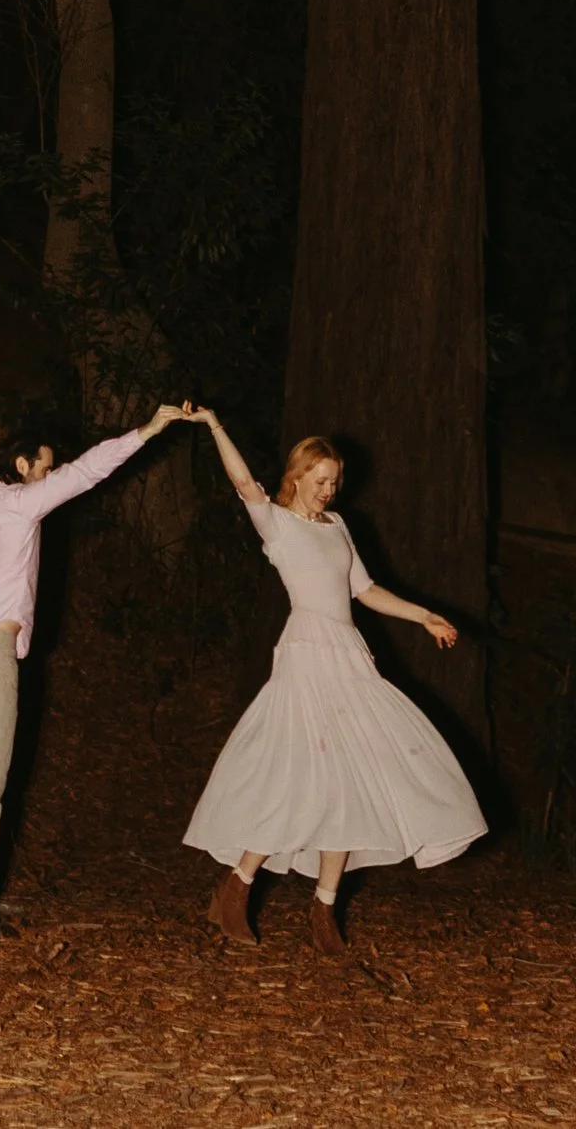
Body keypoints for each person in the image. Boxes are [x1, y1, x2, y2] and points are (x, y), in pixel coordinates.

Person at [178, 403, 485, 956]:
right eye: (319, 480)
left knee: (348, 779)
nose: (328, 490)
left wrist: (424, 616)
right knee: (297, 775)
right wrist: (215, 426)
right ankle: (237, 886)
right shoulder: (276, 522)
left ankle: (324, 909)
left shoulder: (338, 526)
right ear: (296, 477)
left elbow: (365, 591)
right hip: (306, 654)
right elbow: (243, 482)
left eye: (334, 482)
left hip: (348, 656)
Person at [0, 398, 184, 940]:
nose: (51, 473)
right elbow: (89, 470)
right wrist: (148, 429)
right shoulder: (22, 503)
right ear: (24, 466)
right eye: (46, 466)